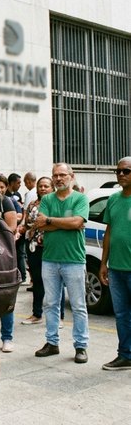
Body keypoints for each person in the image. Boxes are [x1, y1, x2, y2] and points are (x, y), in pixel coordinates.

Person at [34, 163, 89, 364]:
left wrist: (50, 221)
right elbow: (41, 225)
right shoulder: (47, 199)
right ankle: (52, 342)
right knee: (50, 303)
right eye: (55, 175)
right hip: (49, 259)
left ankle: (81, 346)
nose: (58, 178)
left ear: (71, 176)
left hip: (74, 260)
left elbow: (78, 222)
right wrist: (64, 223)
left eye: (62, 175)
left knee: (78, 305)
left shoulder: (81, 198)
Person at [99, 157, 131, 371]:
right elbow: (109, 232)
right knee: (121, 315)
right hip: (116, 269)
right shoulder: (113, 200)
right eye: (118, 171)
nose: (120, 174)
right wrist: (104, 263)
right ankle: (125, 355)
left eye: (126, 171)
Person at [20, 177, 55, 326]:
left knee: (54, 282)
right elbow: (26, 223)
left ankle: (58, 317)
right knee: (37, 280)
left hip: (51, 247)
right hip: (33, 247)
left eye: (46, 186)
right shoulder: (33, 205)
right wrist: (22, 229)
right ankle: (37, 314)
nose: (43, 188)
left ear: (52, 188)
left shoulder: (56, 204)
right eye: (40, 186)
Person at [0, 173, 19, 353]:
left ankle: (7, 337)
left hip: (3, 254)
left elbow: (12, 227)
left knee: (5, 295)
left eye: (2, 187)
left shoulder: (6, 202)